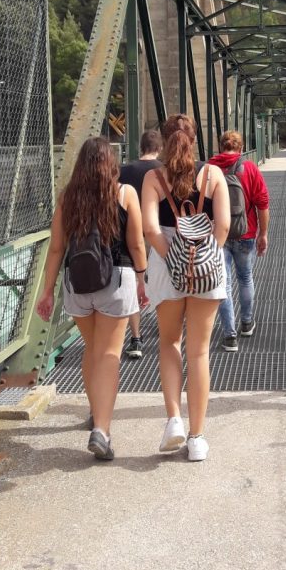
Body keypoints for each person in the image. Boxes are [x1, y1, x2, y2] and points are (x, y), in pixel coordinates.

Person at [36, 137, 148, 459]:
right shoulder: (124, 193)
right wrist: (143, 281)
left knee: (92, 350)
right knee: (109, 354)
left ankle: (96, 410)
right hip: (116, 282)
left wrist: (46, 292)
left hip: (78, 285)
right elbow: (137, 244)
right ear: (111, 164)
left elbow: (56, 249)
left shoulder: (67, 199)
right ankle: (102, 429)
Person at [141, 114, 230, 461]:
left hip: (166, 266)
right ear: (195, 141)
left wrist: (174, 258)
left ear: (163, 142)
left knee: (168, 343)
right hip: (207, 266)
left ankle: (174, 421)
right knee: (200, 351)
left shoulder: (153, 178)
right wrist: (205, 257)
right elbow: (222, 225)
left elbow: (150, 228)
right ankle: (196, 438)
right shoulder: (213, 175)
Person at [209, 130, 269, 350]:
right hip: (246, 232)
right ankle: (246, 322)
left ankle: (229, 335)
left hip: (218, 235)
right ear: (241, 148)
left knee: (222, 283)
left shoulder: (209, 168)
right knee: (245, 277)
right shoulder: (250, 168)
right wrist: (263, 233)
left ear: (220, 147)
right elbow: (262, 203)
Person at [119, 128, 163, 360]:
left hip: (131, 235)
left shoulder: (123, 170)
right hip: (158, 232)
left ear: (141, 147)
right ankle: (167, 322)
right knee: (161, 279)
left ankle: (136, 337)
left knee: (134, 284)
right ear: (159, 148)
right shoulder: (164, 171)